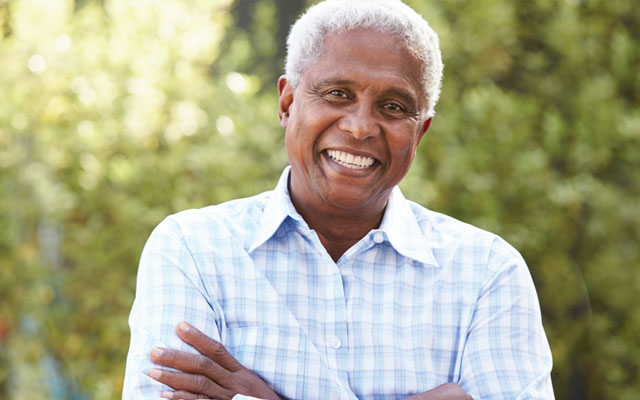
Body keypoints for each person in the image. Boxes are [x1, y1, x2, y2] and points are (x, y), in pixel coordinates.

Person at [123, 0, 554, 399]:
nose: (361, 127)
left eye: (392, 106)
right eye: (337, 94)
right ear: (288, 103)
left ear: (419, 133)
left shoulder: (488, 275)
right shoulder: (192, 250)